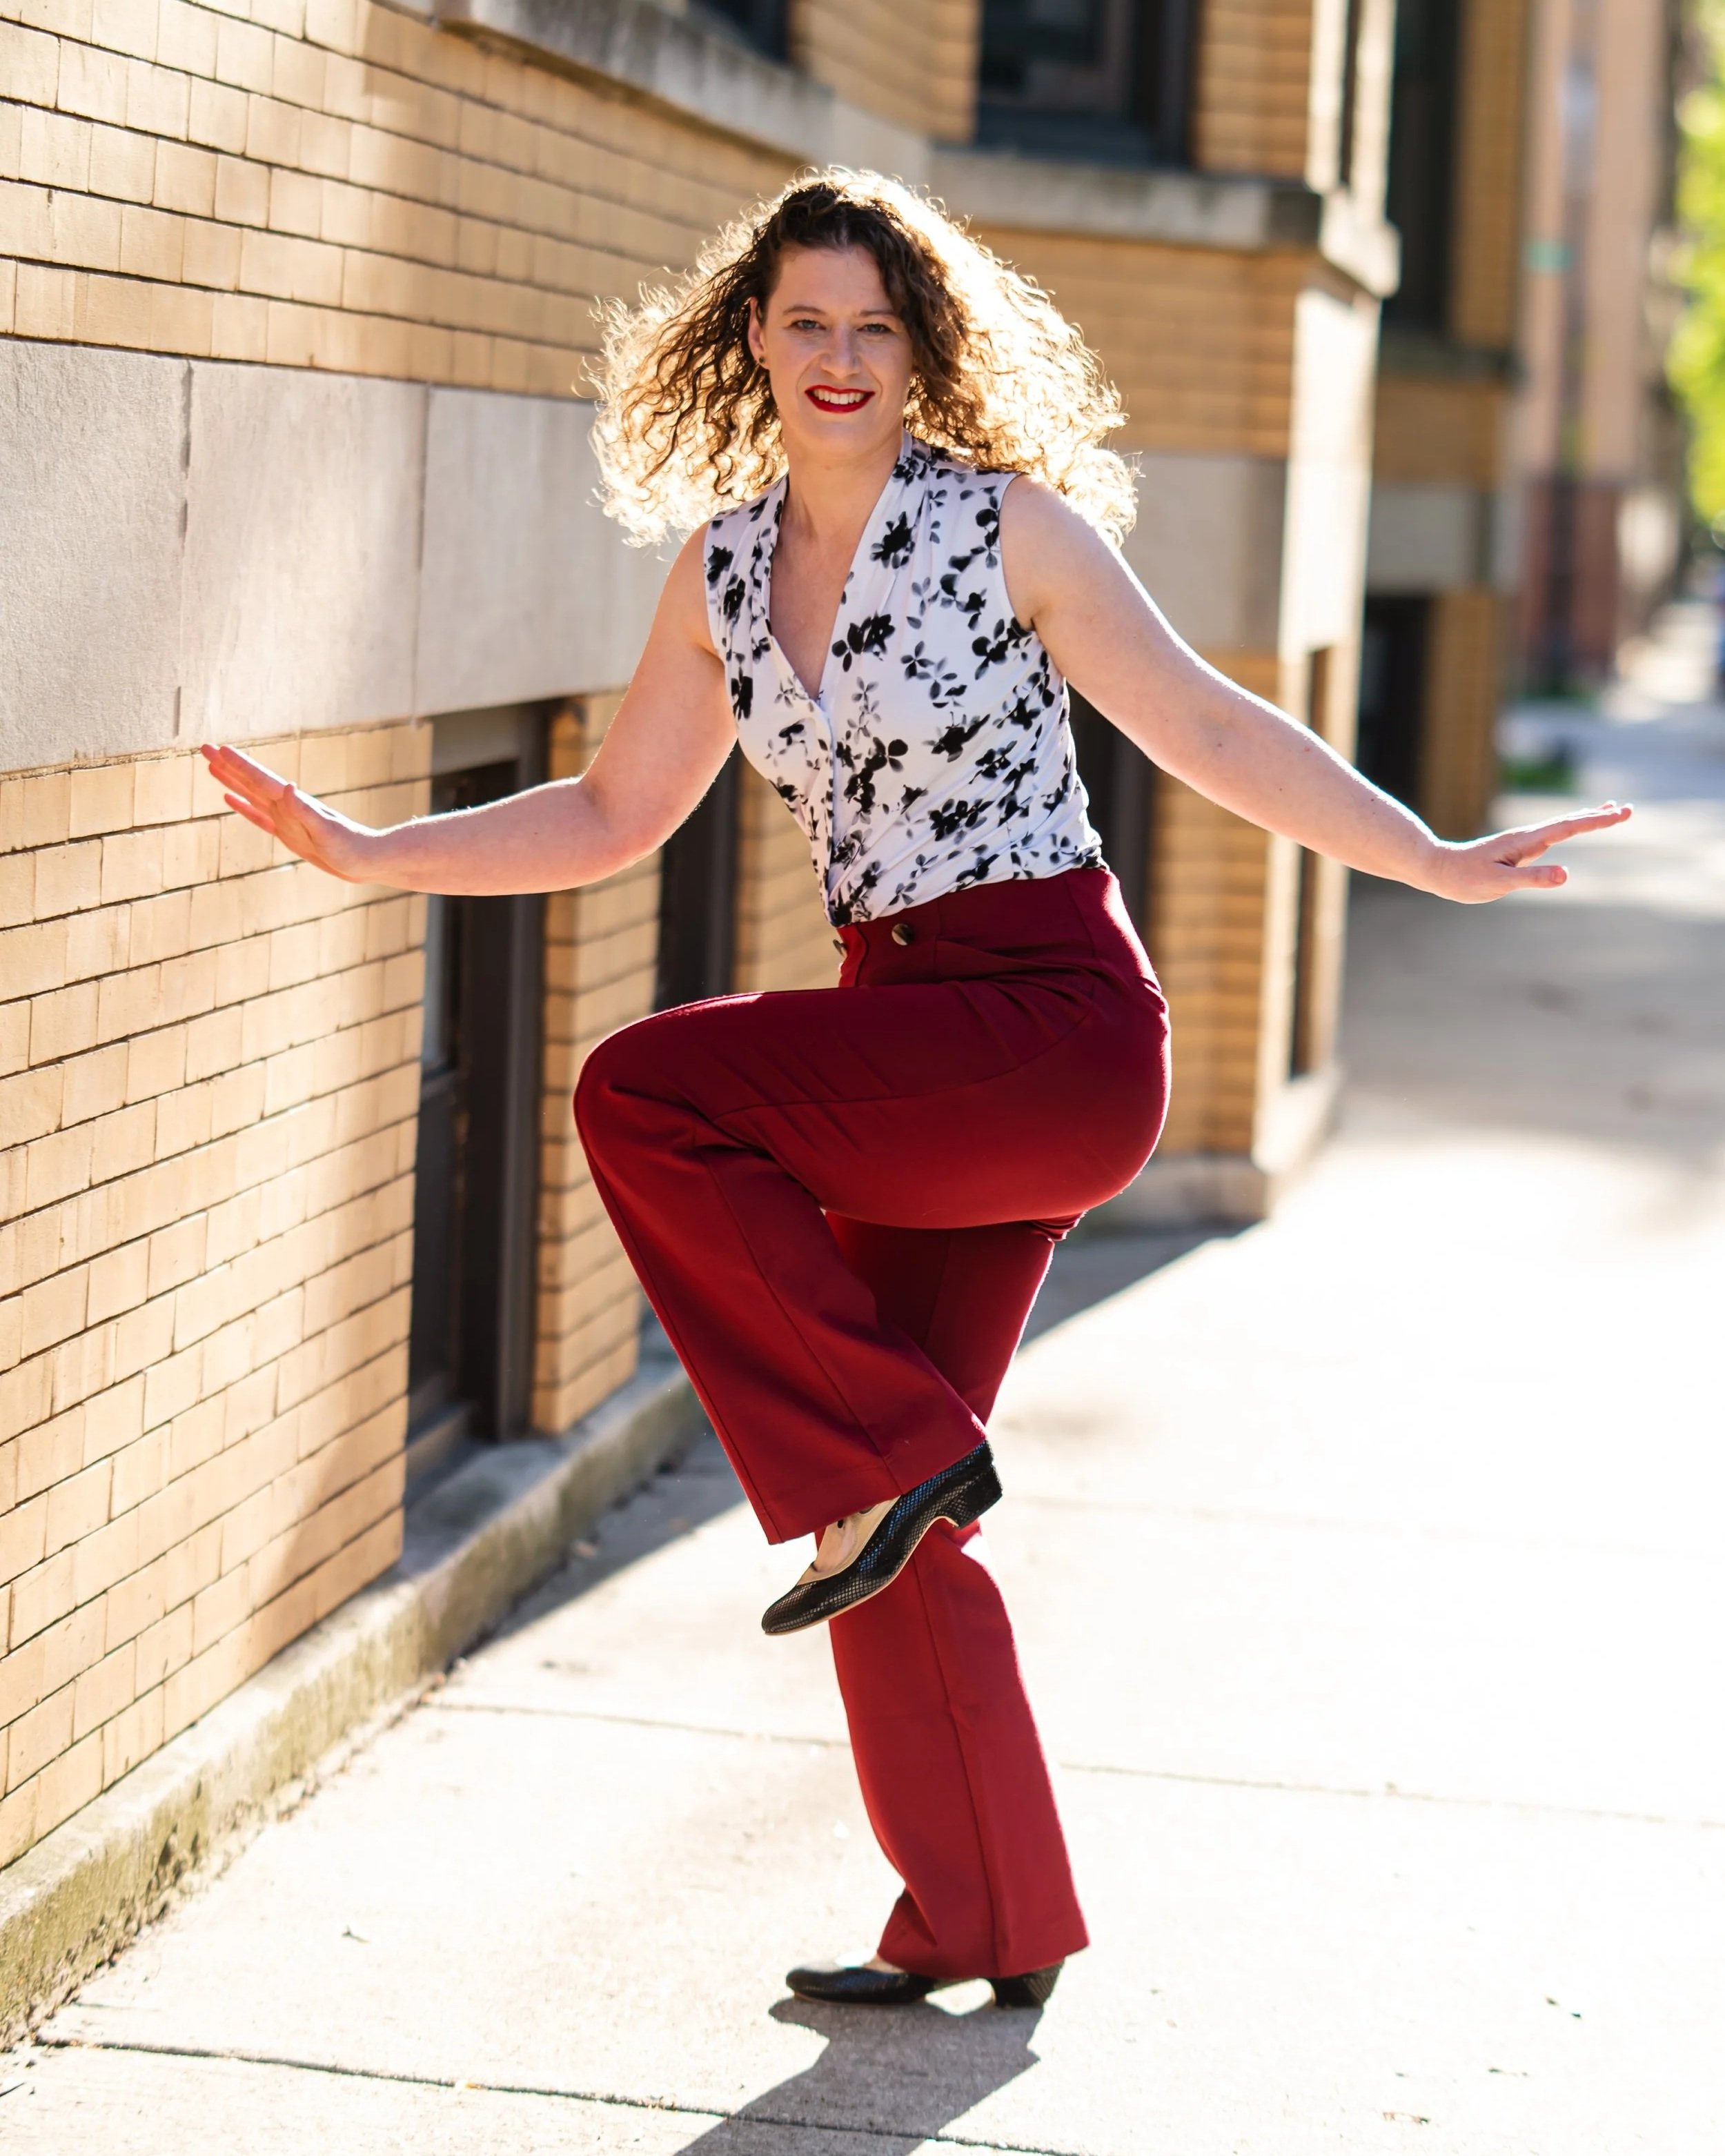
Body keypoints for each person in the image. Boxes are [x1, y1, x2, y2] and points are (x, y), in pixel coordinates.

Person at [200, 171, 1630, 2012]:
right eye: (806, 321)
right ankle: (982, 1917)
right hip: (905, 1038)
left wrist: (1419, 854)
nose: (840, 357)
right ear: (753, 338)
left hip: (1048, 1028)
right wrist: (375, 852)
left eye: (874, 327)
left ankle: (880, 1471)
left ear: (920, 347)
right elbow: (616, 811)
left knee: (645, 1093)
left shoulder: (1006, 527)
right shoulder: (722, 573)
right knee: (891, 1535)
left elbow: (1201, 722)